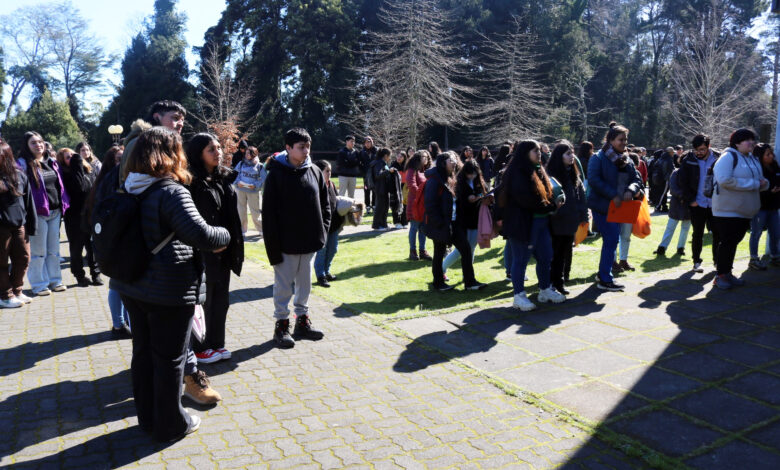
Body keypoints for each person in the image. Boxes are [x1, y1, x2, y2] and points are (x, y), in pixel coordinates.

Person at [113, 126, 231, 442]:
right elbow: (202, 234)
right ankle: (171, 424)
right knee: (170, 360)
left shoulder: (128, 187)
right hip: (168, 290)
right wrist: (227, 234)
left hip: (133, 286)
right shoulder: (170, 191)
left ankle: (148, 418)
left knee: (143, 354)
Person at [263, 128, 330, 348]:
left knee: (305, 285)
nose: (306, 151)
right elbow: (269, 214)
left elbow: (325, 205)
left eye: (308, 146)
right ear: (288, 148)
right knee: (283, 288)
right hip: (285, 244)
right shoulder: (276, 174)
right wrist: (273, 247)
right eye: (301, 147)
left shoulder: (315, 171)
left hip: (309, 242)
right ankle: (282, 326)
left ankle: (302, 322)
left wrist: (322, 231)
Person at [186, 133, 244, 364]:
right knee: (203, 301)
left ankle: (217, 343)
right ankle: (200, 348)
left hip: (224, 250)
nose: (218, 152)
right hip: (203, 252)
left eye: (219, 147)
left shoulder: (223, 178)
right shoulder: (191, 182)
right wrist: (209, 243)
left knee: (221, 300)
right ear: (198, 154)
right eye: (211, 149)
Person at [500, 141, 565, 310]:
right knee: (521, 260)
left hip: (541, 222)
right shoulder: (517, 172)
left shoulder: (538, 169)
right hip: (522, 224)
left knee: (546, 256)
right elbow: (526, 200)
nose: (539, 153)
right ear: (525, 153)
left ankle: (545, 289)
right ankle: (519, 296)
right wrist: (552, 206)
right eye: (535, 151)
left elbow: (545, 195)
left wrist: (554, 202)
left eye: (539, 150)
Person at [587, 123, 643, 291]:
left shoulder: (626, 159)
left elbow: (637, 179)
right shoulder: (598, 158)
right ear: (610, 140)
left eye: (625, 139)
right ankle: (605, 278)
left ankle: (603, 275)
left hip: (621, 207)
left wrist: (631, 190)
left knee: (612, 240)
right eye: (620, 139)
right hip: (603, 207)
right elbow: (594, 180)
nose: (624, 143)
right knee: (612, 239)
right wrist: (614, 195)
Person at [711, 129, 768, 289]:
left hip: (745, 211)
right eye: (747, 140)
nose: (751, 142)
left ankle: (727, 273)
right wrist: (754, 184)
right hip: (727, 210)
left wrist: (764, 184)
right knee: (728, 242)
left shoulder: (752, 158)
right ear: (736, 143)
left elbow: (759, 180)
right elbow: (724, 180)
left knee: (733, 242)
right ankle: (720, 276)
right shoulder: (728, 157)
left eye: (752, 139)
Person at [87, 145, 132, 338]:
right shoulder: (109, 180)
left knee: (123, 284)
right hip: (114, 238)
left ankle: (124, 323)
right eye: (119, 159)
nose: (123, 162)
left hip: (116, 238)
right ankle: (119, 325)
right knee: (117, 283)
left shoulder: (119, 178)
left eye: (125, 157)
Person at [424, 152, 486, 292]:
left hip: (454, 224)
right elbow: (430, 205)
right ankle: (438, 283)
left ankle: (470, 282)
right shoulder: (434, 180)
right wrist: (441, 224)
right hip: (441, 224)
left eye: (454, 160)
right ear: (442, 163)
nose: (454, 163)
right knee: (439, 252)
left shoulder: (451, 178)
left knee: (466, 249)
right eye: (451, 161)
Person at [17, 131, 69, 296]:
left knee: (54, 250)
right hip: (37, 213)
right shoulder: (22, 164)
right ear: (27, 146)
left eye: (40, 142)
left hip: (55, 212)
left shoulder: (52, 162)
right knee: (38, 252)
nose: (38, 145)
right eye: (33, 143)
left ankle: (55, 281)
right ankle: (39, 284)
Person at [546, 140, 588, 295]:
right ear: (559, 156)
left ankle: (560, 282)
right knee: (555, 253)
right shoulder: (551, 174)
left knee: (565, 252)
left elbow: (581, 196)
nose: (572, 156)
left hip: (571, 220)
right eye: (568, 154)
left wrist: (583, 215)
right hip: (556, 220)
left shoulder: (573, 173)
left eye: (572, 153)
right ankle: (550, 283)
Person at [57, 147, 100, 287]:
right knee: (76, 248)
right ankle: (79, 276)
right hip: (74, 216)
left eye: (73, 155)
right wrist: (76, 165)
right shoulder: (66, 174)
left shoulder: (88, 170)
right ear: (63, 162)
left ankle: (96, 274)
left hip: (89, 214)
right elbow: (79, 186)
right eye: (68, 157)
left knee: (92, 246)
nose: (73, 158)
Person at [0, 140, 36, 308]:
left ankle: (17, 290)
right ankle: (5, 295)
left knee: (23, 258)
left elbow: (28, 201)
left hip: (19, 224)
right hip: (1, 227)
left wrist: (32, 224)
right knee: (1, 262)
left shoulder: (19, 175)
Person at [678, 134, 720, 273]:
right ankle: (696, 262)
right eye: (696, 149)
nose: (699, 152)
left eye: (702, 149)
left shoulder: (719, 158)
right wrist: (691, 200)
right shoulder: (689, 160)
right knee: (698, 234)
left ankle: (717, 261)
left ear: (709, 146)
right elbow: (682, 182)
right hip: (698, 203)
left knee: (718, 234)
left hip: (716, 203)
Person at [442, 159, 488, 279]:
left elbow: (485, 192)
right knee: (460, 250)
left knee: (471, 249)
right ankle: (441, 269)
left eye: (474, 173)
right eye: (470, 173)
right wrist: (468, 199)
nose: (472, 176)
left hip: (476, 219)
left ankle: (467, 276)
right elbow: (457, 201)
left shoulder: (479, 181)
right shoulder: (459, 183)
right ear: (465, 172)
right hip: (463, 220)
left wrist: (480, 197)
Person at [748, 143, 780, 268]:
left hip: (773, 206)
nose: (771, 156)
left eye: (771, 153)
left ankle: (775, 256)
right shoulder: (756, 169)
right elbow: (754, 188)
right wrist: (769, 191)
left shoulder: (775, 166)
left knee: (776, 233)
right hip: (760, 207)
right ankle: (753, 258)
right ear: (760, 156)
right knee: (756, 233)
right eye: (768, 154)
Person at [313, 160, 344, 287]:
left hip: (334, 224)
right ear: (319, 172)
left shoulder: (331, 184)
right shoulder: (315, 186)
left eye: (330, 170)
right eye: (327, 171)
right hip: (321, 225)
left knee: (333, 249)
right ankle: (320, 275)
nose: (330, 173)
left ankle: (326, 271)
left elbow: (336, 200)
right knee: (322, 251)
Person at [614, 152, 645, 273]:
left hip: (628, 206)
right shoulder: (610, 170)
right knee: (612, 237)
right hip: (613, 206)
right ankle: (612, 262)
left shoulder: (634, 173)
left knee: (626, 236)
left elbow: (641, 189)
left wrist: (636, 192)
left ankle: (623, 260)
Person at [654, 167, 691, 257]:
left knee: (684, 228)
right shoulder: (676, 173)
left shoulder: (690, 172)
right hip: (678, 203)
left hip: (687, 203)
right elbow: (673, 188)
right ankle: (663, 247)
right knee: (671, 227)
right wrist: (683, 195)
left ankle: (680, 248)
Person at [405, 150, 432, 261]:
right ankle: (412, 251)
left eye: (427, 157)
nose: (426, 159)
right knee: (414, 227)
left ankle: (422, 251)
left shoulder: (426, 171)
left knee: (423, 228)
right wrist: (422, 196)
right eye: (423, 157)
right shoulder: (412, 170)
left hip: (424, 203)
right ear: (418, 158)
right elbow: (411, 185)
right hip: (415, 203)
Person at [234, 146, 266, 235]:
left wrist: (255, 185)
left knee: (255, 212)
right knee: (241, 211)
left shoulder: (259, 166)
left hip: (253, 192)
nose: (247, 154)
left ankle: (261, 230)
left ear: (254, 154)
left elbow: (263, 178)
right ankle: (243, 230)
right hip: (240, 190)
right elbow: (235, 174)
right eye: (246, 153)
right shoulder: (241, 163)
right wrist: (237, 182)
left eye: (249, 153)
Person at [371, 148, 397, 231]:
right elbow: (377, 175)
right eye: (389, 156)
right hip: (380, 188)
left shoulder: (383, 163)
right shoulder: (378, 163)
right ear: (385, 156)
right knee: (380, 207)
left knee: (385, 206)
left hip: (385, 188)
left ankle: (383, 224)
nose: (390, 158)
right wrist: (388, 171)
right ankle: (376, 225)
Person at [650, 147, 675, 212]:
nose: (673, 153)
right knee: (662, 193)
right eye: (672, 152)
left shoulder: (660, 158)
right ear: (670, 152)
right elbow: (671, 170)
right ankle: (658, 206)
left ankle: (664, 206)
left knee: (662, 193)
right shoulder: (668, 159)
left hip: (658, 178)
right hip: (665, 179)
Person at [359, 136, 377, 212]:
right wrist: (363, 171)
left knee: (374, 190)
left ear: (372, 142)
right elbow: (359, 163)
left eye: (369, 142)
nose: (368, 144)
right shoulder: (362, 152)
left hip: (374, 174)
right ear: (364, 143)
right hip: (366, 175)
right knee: (366, 190)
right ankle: (367, 206)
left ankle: (374, 205)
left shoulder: (376, 151)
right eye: (366, 142)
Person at [391, 150, 407, 227]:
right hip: (396, 186)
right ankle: (397, 222)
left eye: (401, 156)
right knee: (395, 204)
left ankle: (404, 222)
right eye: (398, 156)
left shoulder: (407, 165)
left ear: (404, 158)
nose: (399, 158)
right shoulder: (393, 165)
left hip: (405, 187)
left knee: (405, 204)